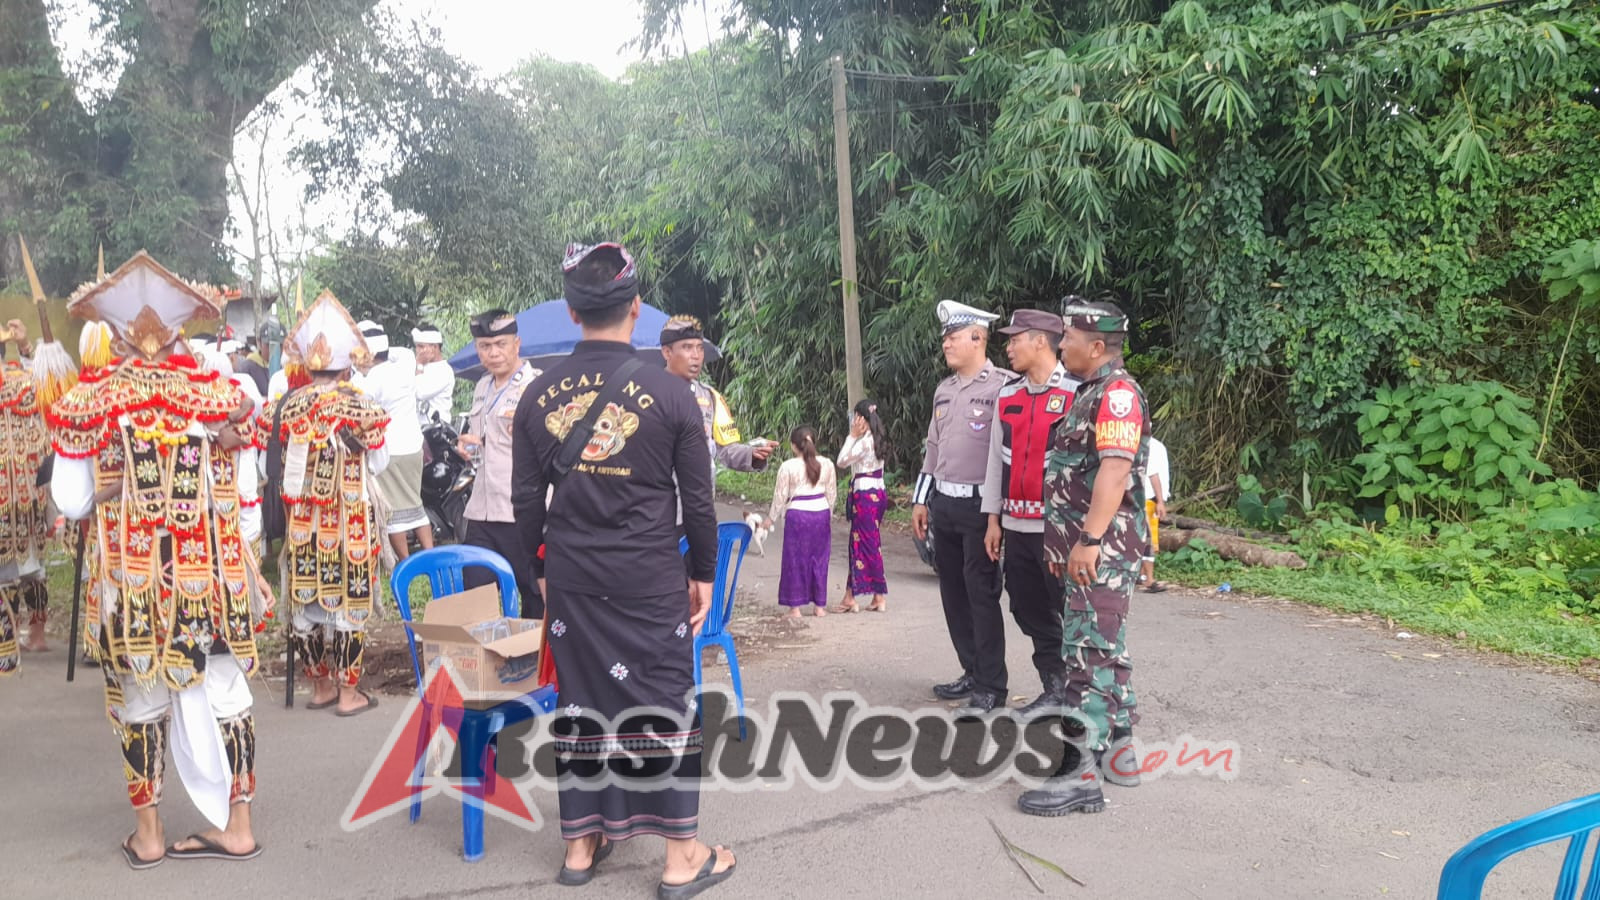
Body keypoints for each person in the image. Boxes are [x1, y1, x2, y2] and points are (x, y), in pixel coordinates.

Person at [511, 241, 735, 897]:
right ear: (636, 310)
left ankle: (581, 847)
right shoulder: (674, 393)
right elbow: (699, 500)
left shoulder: (537, 395)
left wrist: (540, 574)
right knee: (664, 701)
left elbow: (528, 502)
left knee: (580, 699)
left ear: (574, 313)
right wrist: (704, 574)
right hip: (648, 576)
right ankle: (680, 860)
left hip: (574, 577)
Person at [46, 251, 265, 866]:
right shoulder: (219, 392)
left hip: (133, 575)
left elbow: (71, 496)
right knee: (226, 689)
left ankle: (149, 837)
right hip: (210, 573)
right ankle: (238, 827)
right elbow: (247, 472)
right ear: (178, 332)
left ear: (115, 335)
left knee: (137, 698)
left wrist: (115, 485)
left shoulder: (93, 397)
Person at [1021, 298, 1151, 817]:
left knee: (1087, 657)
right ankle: (1120, 754)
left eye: (1068, 338)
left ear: (1096, 347)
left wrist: (1089, 540)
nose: (1061, 345)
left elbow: (1115, 472)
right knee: (1106, 648)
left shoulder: (1117, 395)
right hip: (1092, 548)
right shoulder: (1091, 392)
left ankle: (1078, 773)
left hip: (1104, 549)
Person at [266, 295, 390, 717]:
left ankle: (319, 688)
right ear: (346, 365)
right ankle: (349, 694)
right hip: (350, 518)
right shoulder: (361, 406)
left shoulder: (288, 404)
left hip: (302, 521)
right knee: (349, 605)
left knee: (307, 605)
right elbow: (379, 460)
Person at [911, 300, 1014, 716]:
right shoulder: (944, 389)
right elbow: (933, 447)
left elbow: (1005, 456)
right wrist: (921, 499)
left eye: (953, 338)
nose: (946, 345)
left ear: (978, 338)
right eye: (945, 339)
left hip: (979, 507)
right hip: (944, 504)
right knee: (952, 593)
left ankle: (992, 684)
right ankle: (970, 671)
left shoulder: (1003, 387)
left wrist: (997, 515)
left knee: (981, 595)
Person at [982, 309, 1081, 716]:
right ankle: (1054, 685)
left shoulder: (1078, 394)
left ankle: (1082, 692)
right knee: (1025, 604)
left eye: (1014, 339)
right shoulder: (1008, 395)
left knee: (1069, 607)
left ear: (1040, 341)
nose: (1008, 347)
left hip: (1058, 528)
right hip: (1016, 524)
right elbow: (993, 462)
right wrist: (993, 518)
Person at [458, 308, 542, 617]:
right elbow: (479, 437)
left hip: (520, 509)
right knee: (476, 590)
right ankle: (488, 660)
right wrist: (467, 442)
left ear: (516, 344)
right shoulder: (482, 386)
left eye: (500, 344)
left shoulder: (537, 387)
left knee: (533, 592)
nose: (492, 353)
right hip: (482, 508)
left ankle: (534, 660)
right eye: (485, 346)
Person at [659, 315, 773, 484]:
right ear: (667, 352)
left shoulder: (710, 397)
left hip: (700, 499)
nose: (696, 355)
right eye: (687, 347)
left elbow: (726, 449)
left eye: (700, 348)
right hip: (656, 497)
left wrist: (750, 454)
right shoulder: (643, 393)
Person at [354, 321, 432, 560]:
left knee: (393, 509)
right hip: (414, 448)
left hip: (391, 450)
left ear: (371, 354)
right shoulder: (403, 368)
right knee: (414, 502)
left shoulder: (370, 380)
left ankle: (406, 562)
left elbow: (360, 409)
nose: (357, 359)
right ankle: (429, 555)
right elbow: (402, 352)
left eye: (360, 354)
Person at [0, 320, 52, 668]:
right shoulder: (26, 382)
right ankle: (36, 634)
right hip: (31, 494)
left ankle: (8, 640)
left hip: (9, 494)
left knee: (6, 570)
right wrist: (28, 349)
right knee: (33, 566)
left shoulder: (21, 381)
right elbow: (50, 383)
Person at [770, 425, 836, 619]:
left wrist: (771, 518)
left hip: (798, 515)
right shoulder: (827, 464)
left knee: (795, 560)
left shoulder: (788, 466)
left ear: (793, 446)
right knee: (820, 560)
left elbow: (780, 496)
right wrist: (828, 514)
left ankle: (795, 609)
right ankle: (819, 607)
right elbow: (831, 493)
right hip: (821, 513)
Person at [834, 399, 889, 613]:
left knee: (864, 545)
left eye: (854, 417)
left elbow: (841, 461)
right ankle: (858, 595)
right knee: (865, 543)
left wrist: (851, 436)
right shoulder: (878, 438)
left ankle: (874, 594)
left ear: (861, 419)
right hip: (878, 493)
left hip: (865, 495)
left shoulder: (864, 441)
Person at [1140, 435, 1171, 592]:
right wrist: (1161, 501)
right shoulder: (1146, 445)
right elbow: (1154, 476)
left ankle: (1142, 576)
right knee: (1147, 541)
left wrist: (1160, 500)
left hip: (1140, 499)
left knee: (1142, 540)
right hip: (1141, 499)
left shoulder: (1147, 445)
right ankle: (1149, 580)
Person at [412, 323, 454, 423]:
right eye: (417, 347)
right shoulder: (420, 367)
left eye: (421, 346)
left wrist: (419, 364)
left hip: (436, 431)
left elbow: (420, 393)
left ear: (434, 347)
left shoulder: (444, 371)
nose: (418, 351)